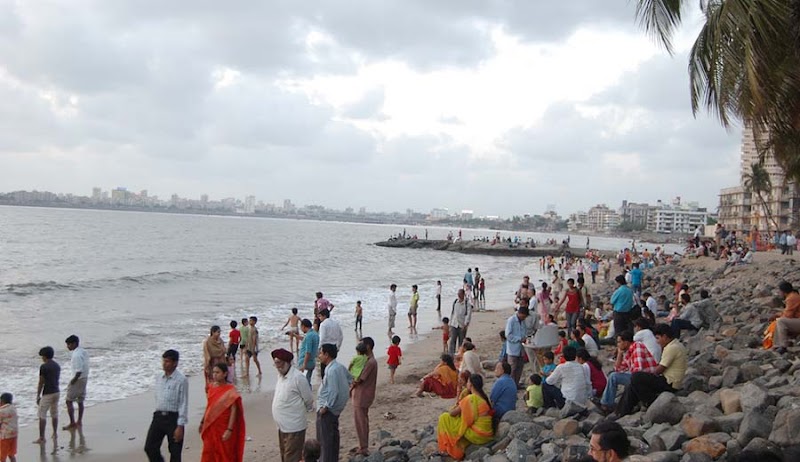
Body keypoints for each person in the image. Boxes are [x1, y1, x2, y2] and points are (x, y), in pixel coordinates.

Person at [615, 324, 687, 417]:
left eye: (658, 338)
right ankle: (621, 411)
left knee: (636, 377)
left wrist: (644, 375)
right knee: (634, 382)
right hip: (670, 380)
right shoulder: (675, 345)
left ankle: (650, 401)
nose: (657, 342)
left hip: (670, 383)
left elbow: (659, 370)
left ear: (665, 337)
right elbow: (619, 368)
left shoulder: (672, 348)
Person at [145, 349, 189, 462]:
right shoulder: (159, 377)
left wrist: (180, 425)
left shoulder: (181, 380)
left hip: (173, 418)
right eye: (163, 361)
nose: (164, 364)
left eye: (167, 361)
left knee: (175, 452)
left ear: (175, 363)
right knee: (150, 447)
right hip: (159, 416)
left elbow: (183, 403)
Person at [437, 374, 494, 460]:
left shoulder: (471, 398)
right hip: (486, 433)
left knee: (444, 417)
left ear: (471, 385)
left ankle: (449, 450)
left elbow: (452, 413)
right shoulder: (483, 397)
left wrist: (459, 403)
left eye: (468, 382)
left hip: (477, 434)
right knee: (459, 421)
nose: (466, 384)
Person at [271, 348, 313, 462]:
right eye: (275, 363)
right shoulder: (280, 376)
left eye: (279, 363)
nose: (277, 367)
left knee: (292, 457)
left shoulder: (298, 378)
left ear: (287, 363)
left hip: (294, 427)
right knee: (284, 456)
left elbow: (308, 399)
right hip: (282, 426)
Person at [200, 362, 244, 462]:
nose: (214, 375)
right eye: (213, 372)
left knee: (224, 452)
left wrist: (229, 429)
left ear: (225, 374)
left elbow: (233, 410)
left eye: (217, 372)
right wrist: (202, 422)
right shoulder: (211, 387)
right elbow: (209, 406)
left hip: (223, 426)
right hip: (211, 426)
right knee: (209, 451)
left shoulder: (230, 390)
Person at [316, 344, 352, 462]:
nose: (319, 355)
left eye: (321, 353)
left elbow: (333, 391)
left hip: (329, 410)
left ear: (327, 355)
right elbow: (350, 379)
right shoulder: (339, 367)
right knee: (332, 438)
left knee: (325, 441)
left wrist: (326, 407)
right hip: (335, 409)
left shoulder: (331, 370)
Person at [351, 337, 378, 457]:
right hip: (363, 395)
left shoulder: (370, 362)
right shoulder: (368, 360)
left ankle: (363, 447)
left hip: (362, 395)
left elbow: (360, 379)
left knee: (361, 422)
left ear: (367, 346)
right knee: (362, 421)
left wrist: (351, 385)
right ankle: (363, 445)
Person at [34, 346, 60, 445]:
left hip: (48, 393)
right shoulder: (57, 366)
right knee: (54, 413)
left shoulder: (44, 367)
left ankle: (42, 437)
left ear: (45, 356)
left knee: (42, 414)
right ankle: (55, 433)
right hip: (56, 391)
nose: (42, 358)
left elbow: (41, 382)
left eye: (42, 356)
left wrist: (38, 395)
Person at [63, 335, 89, 430]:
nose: (67, 346)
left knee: (69, 401)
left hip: (78, 379)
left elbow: (79, 370)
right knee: (80, 400)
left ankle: (72, 422)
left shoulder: (76, 355)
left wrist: (73, 381)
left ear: (74, 344)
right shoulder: (83, 351)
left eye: (69, 344)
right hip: (84, 378)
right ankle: (79, 421)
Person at [771, 281, 800, 354]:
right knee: (778, 321)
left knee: (780, 321)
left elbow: (788, 315)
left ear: (784, 291)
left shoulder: (792, 298)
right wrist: (778, 315)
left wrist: (778, 316)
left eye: (779, 291)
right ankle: (777, 345)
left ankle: (783, 346)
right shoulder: (793, 295)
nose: (779, 293)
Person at [504, 305, 529, 388]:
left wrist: (525, 338)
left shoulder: (523, 321)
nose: (524, 318)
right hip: (513, 349)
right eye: (523, 316)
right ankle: (510, 385)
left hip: (521, 348)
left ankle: (516, 384)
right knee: (512, 368)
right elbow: (508, 335)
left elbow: (525, 331)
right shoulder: (511, 320)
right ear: (520, 313)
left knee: (520, 367)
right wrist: (519, 339)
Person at [317, 309, 342, 380]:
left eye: (320, 316)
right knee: (332, 365)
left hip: (326, 347)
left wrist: (319, 349)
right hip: (334, 346)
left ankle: (325, 382)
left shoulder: (323, 324)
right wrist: (338, 346)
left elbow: (322, 338)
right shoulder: (336, 323)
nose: (320, 318)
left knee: (324, 367)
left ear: (324, 316)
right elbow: (340, 336)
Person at [448, 289, 473, 355]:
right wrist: (450, 324)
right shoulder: (455, 302)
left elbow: (468, 314)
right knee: (452, 340)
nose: (459, 295)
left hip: (462, 325)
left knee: (461, 341)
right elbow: (452, 313)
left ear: (463, 294)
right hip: (454, 324)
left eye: (460, 294)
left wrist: (466, 324)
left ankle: (460, 354)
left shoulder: (467, 303)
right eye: (458, 294)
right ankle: (451, 354)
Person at [297, 319, 319, 385]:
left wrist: (304, 364)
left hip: (305, 361)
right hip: (312, 361)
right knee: (307, 380)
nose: (301, 329)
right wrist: (295, 335)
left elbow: (308, 351)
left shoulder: (309, 336)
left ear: (303, 326)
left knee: (302, 382)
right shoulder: (315, 334)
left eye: (301, 327)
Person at [0, 393, 18, 462]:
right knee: (11, 454)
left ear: (2, 400)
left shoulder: (2, 411)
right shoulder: (13, 408)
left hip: (5, 436)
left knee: (2, 456)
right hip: (14, 435)